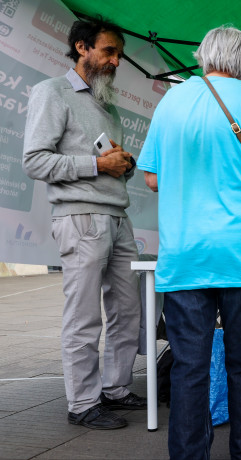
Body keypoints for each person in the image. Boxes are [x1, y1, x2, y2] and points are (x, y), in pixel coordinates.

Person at [138, 26, 241, 460]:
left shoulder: (171, 101)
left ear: (202, 56)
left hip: (184, 254)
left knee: (190, 366)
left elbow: (152, 179)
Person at [23, 17, 145, 430]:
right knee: (84, 316)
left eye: (119, 55)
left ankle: (115, 388)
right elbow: (34, 160)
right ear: (81, 48)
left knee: (129, 311)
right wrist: (96, 163)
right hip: (79, 217)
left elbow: (107, 166)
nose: (116, 61)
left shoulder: (107, 105)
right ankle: (82, 403)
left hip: (117, 216)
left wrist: (121, 165)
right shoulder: (51, 92)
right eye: (109, 51)